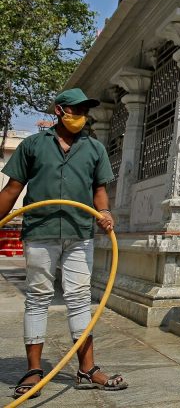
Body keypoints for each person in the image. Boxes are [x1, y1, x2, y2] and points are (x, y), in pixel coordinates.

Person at [0, 88, 127, 399]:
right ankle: (33, 370)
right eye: (75, 110)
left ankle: (87, 369)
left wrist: (105, 211)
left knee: (80, 297)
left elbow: (99, 190)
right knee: (38, 296)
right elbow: (12, 189)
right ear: (59, 110)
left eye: (84, 110)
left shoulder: (94, 148)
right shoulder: (32, 145)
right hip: (40, 230)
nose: (80, 116)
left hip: (80, 232)